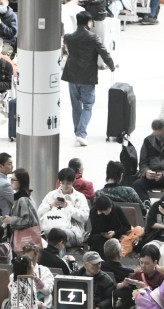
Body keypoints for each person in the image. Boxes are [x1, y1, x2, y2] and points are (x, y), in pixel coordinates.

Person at [62, 11, 115, 146]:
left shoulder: (69, 38)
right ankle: (81, 133)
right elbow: (105, 53)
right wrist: (112, 66)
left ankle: (77, 131)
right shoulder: (94, 38)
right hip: (87, 77)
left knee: (76, 106)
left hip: (71, 75)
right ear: (89, 22)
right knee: (88, 105)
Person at [37, 167, 90, 247]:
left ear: (73, 181)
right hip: (51, 228)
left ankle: (57, 255)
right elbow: (39, 213)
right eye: (62, 183)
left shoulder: (80, 197)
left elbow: (84, 217)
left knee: (60, 235)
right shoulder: (51, 195)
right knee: (50, 235)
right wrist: (51, 205)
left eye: (68, 183)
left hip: (73, 231)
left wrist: (68, 207)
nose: (65, 186)